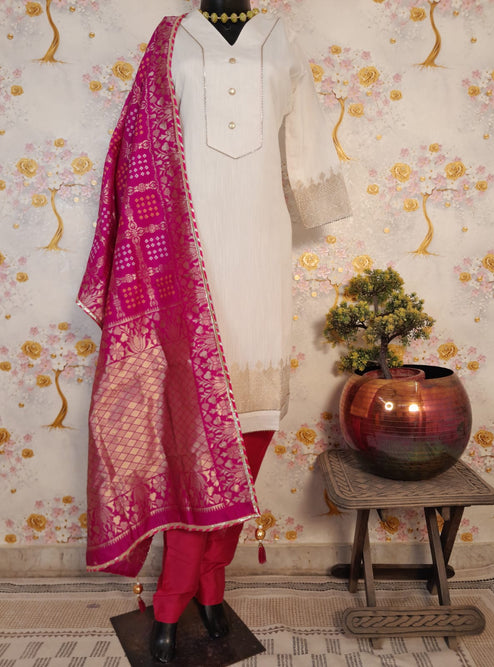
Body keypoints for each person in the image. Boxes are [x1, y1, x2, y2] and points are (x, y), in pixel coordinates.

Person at [77, 0, 351, 662]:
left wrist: (316, 198)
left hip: (259, 249)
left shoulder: (279, 37)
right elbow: (137, 147)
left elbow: (305, 136)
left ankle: (207, 581)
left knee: (251, 420)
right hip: (180, 260)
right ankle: (180, 593)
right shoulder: (170, 41)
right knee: (186, 427)